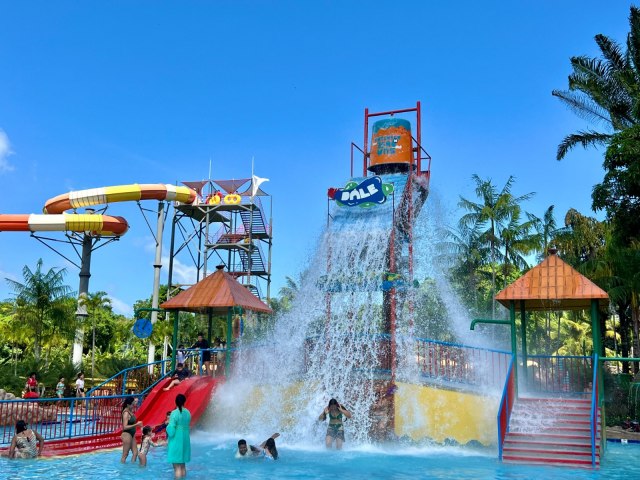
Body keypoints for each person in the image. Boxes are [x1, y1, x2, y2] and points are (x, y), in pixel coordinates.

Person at [167, 393, 191, 479]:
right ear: (184, 402)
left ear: (175, 402)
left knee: (176, 467)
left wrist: (167, 426)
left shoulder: (174, 413)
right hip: (185, 439)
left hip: (176, 440)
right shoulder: (188, 412)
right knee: (183, 465)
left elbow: (171, 431)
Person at [121, 396, 143, 463]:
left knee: (135, 453)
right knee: (125, 454)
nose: (134, 405)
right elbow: (125, 427)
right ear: (128, 404)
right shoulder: (126, 413)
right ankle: (122, 471)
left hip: (132, 434)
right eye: (132, 404)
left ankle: (132, 469)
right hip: (127, 434)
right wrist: (136, 425)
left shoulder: (130, 411)